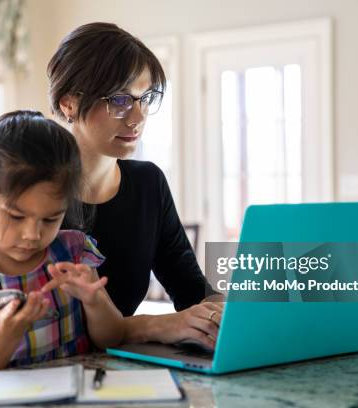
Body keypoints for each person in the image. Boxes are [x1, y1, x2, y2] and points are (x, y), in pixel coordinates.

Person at [47, 22, 224, 351]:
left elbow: (190, 291)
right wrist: (154, 325)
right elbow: (52, 330)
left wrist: (227, 314)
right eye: (119, 100)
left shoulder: (147, 184)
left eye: (145, 98)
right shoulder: (37, 194)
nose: (137, 117)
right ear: (69, 103)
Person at [0, 110, 123, 380]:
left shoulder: (73, 253)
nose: (32, 234)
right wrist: (3, 339)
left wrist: (93, 300)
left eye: (51, 218)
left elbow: (113, 338)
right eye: (15, 216)